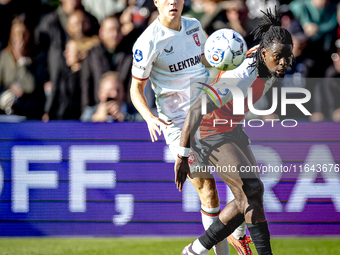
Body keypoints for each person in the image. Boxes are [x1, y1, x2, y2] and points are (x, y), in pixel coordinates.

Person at [130, 0, 253, 254]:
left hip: (210, 116)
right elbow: (135, 89)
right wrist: (149, 117)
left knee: (245, 184)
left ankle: (239, 235)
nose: (172, 1)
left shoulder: (194, 26)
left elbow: (211, 61)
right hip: (177, 125)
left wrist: (234, 64)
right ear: (156, 2)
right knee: (208, 193)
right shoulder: (147, 42)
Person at [177, 8, 293, 255]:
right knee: (251, 191)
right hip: (209, 130)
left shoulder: (273, 65)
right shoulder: (240, 75)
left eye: (288, 56)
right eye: (278, 56)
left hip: (232, 127)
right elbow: (196, 110)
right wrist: (182, 155)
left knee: (253, 195)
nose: (284, 62)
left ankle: (194, 251)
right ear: (263, 53)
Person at [81, 14, 133, 114]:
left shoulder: (130, 54)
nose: (114, 34)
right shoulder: (92, 54)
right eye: (110, 30)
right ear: (101, 32)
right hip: (97, 109)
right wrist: (87, 113)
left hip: (124, 110)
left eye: (117, 30)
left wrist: (127, 111)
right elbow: (86, 85)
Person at [0, 15, 47, 119]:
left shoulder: (38, 57)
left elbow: (30, 87)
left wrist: (22, 61)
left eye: (24, 33)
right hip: (6, 109)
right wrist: (9, 87)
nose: (20, 38)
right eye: (16, 34)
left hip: (29, 110)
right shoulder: (4, 56)